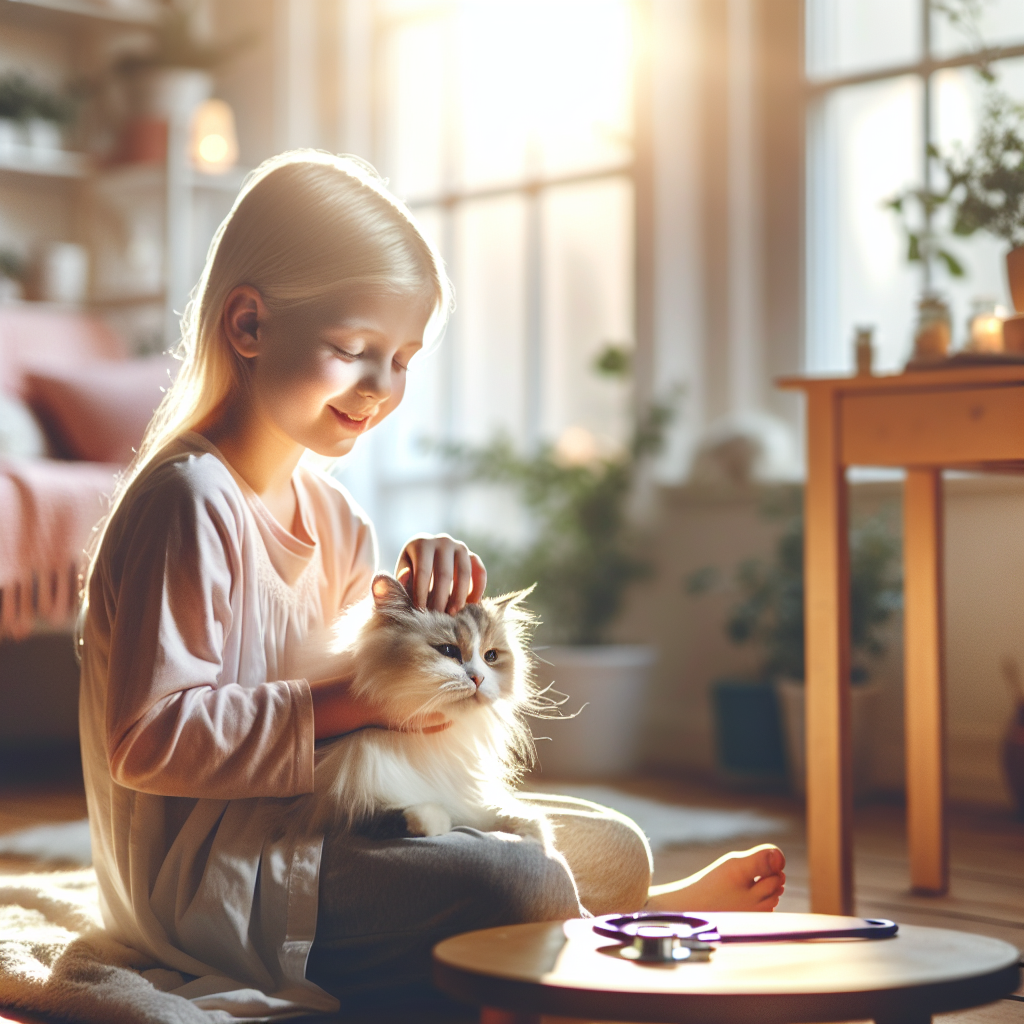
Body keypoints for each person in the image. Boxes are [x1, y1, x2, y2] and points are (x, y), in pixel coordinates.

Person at [78, 151, 785, 1018]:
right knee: (518, 881)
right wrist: (366, 700)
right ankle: (609, 942)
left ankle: (605, 918)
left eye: (403, 358)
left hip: (314, 828)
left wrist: (414, 611)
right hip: (211, 886)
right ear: (250, 324)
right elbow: (148, 740)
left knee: (612, 845)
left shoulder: (336, 518)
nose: (382, 387)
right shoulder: (189, 502)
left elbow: (367, 721)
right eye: (354, 350)